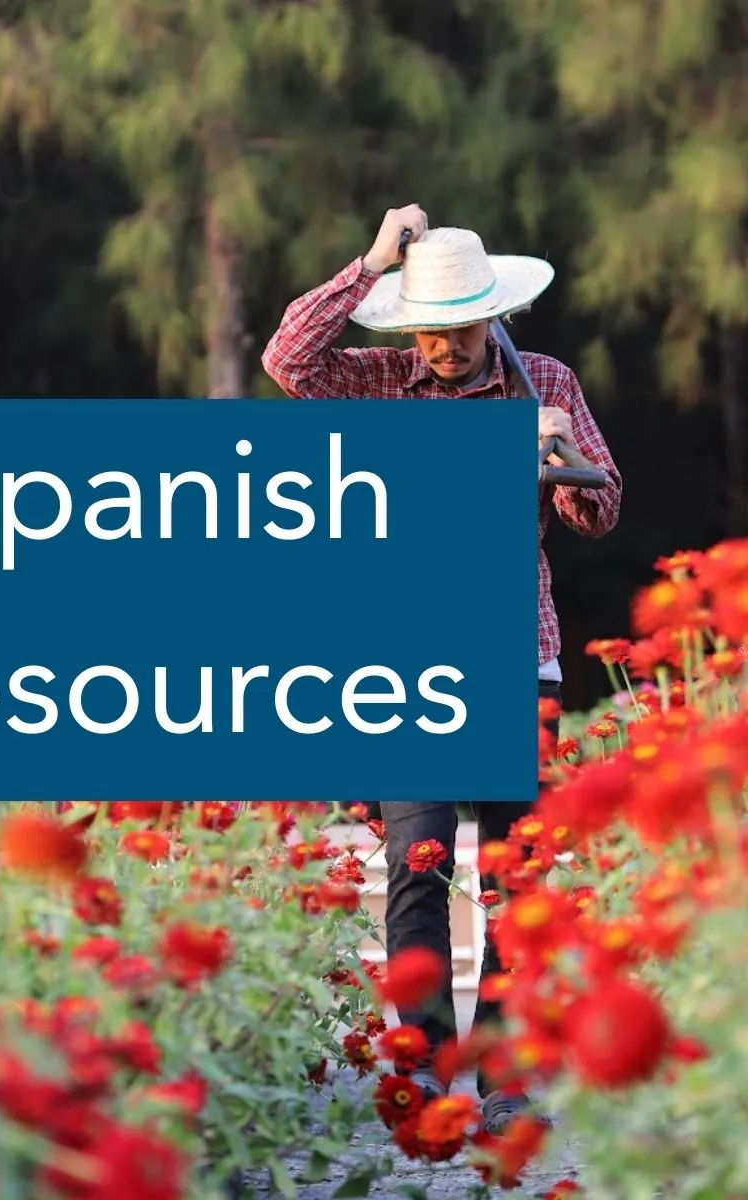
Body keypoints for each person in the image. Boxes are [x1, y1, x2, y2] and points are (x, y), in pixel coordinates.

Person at [261, 204, 622, 1134]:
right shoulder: (379, 381)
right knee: (414, 867)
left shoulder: (544, 381)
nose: (442, 347)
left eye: (458, 330)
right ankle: (419, 1072)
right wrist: (372, 261)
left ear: (492, 317)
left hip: (517, 656)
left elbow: (601, 509)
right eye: (426, 329)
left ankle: (505, 1079)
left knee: (514, 872)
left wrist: (560, 457)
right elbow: (287, 359)